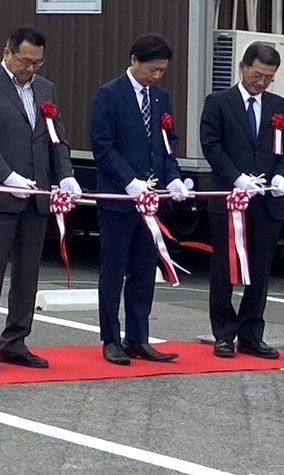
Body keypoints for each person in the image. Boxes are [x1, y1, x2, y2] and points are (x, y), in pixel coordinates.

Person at [0, 27, 81, 372]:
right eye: (25, 62)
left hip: (36, 195)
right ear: (7, 53)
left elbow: (55, 137)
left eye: (37, 63)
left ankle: (16, 340)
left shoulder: (46, 89)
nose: (31, 69)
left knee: (28, 272)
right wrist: (7, 176)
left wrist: (66, 174)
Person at [90, 34, 192, 366]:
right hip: (120, 199)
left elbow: (167, 143)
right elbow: (102, 146)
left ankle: (138, 336)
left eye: (162, 70)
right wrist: (129, 181)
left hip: (152, 201)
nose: (157, 76)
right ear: (134, 60)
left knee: (145, 270)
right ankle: (110, 338)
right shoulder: (109, 95)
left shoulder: (161, 98)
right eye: (152, 69)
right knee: (113, 268)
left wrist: (173, 177)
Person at [200, 41, 284, 359]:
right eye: (257, 75)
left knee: (262, 267)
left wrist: (283, 173)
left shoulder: (279, 107)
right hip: (232, 198)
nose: (262, 82)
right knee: (224, 266)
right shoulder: (219, 102)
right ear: (243, 67)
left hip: (267, 201)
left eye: (269, 78)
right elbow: (211, 146)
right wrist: (237, 178)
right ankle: (224, 333)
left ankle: (252, 333)